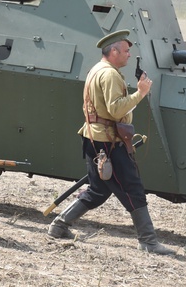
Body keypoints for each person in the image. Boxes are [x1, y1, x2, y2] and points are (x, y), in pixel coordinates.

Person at [47, 30, 173, 255]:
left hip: (94, 138)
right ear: (113, 51)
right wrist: (140, 93)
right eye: (125, 50)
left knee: (98, 190)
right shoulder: (111, 75)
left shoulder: (97, 69)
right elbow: (115, 110)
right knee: (133, 189)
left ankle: (59, 226)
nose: (128, 54)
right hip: (108, 142)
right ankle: (148, 241)